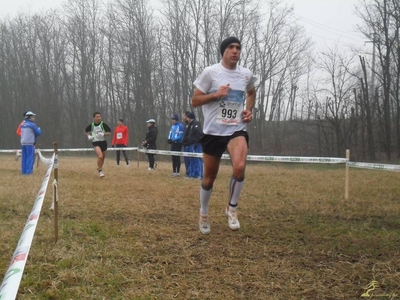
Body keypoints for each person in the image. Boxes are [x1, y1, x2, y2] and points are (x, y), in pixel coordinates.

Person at [191, 37, 257, 235]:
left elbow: (252, 92)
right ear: (223, 51)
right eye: (231, 47)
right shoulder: (211, 73)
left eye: (238, 47)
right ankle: (203, 213)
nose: (235, 51)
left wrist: (248, 109)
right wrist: (215, 95)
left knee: (239, 167)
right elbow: (194, 100)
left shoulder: (246, 75)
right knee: (209, 178)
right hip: (213, 132)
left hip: (236, 129)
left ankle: (232, 208)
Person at [84, 112, 112, 178]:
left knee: (103, 157)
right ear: (94, 118)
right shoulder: (92, 125)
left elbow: (109, 133)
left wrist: (103, 134)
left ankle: (99, 168)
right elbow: (85, 131)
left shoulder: (103, 124)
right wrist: (88, 136)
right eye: (97, 116)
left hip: (103, 142)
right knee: (100, 156)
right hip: (95, 142)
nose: (98, 118)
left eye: (99, 116)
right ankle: (100, 170)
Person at [182, 112, 203, 179]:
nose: (186, 118)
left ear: (190, 117)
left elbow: (199, 134)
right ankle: (193, 174)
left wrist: (196, 142)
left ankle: (199, 175)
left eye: (187, 117)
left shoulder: (196, 124)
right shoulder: (189, 125)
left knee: (197, 159)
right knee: (192, 160)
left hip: (196, 144)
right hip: (190, 144)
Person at [20, 111, 42, 175]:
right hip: (30, 143)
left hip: (23, 143)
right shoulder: (32, 125)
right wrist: (39, 129)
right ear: (30, 117)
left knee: (24, 157)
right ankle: (28, 172)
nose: (34, 118)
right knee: (30, 157)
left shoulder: (22, 125)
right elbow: (38, 133)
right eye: (33, 116)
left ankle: (23, 171)